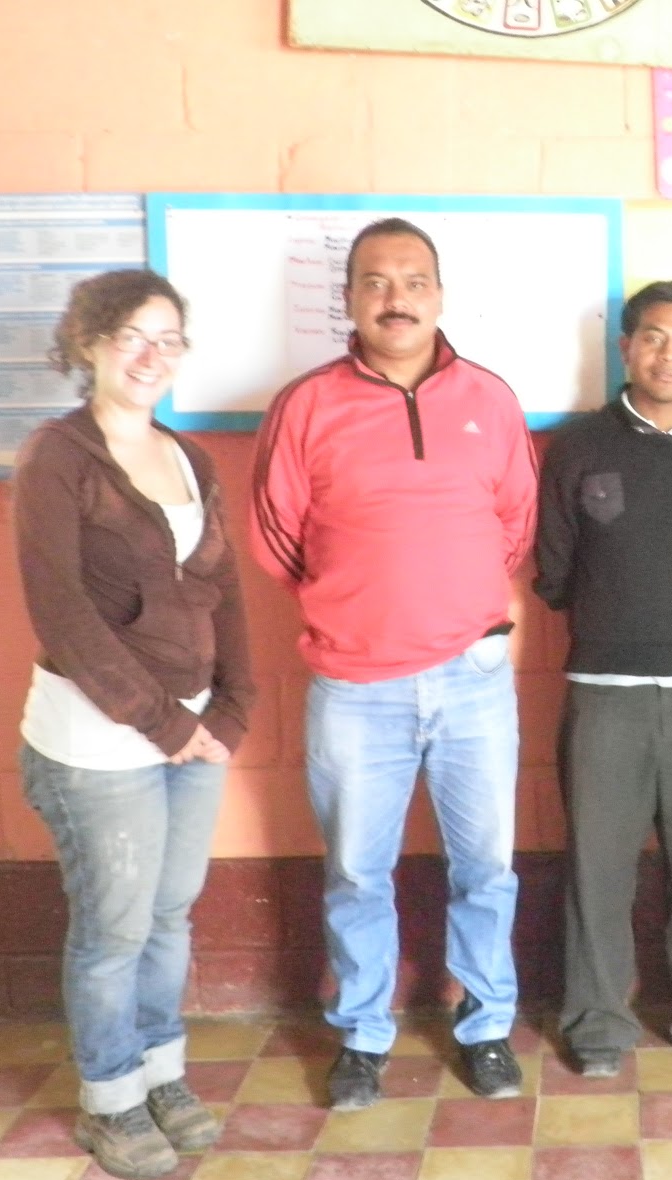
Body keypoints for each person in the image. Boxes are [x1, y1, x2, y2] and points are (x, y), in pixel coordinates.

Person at [251, 218, 538, 1109]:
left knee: (486, 868)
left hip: (472, 679)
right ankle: (364, 1035)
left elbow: (514, 524)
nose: (396, 298)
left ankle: (486, 1027)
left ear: (440, 296)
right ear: (348, 299)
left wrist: (450, 603)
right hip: (354, 684)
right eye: (375, 282)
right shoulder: (306, 406)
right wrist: (360, 602)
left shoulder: (490, 400)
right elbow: (277, 537)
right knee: (354, 873)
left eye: (414, 281)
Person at [12, 269, 254, 1180]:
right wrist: (163, 723)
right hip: (96, 741)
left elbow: (223, 590)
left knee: (168, 916)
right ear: (89, 344)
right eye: (131, 337)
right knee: (113, 930)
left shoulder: (191, 459)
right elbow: (62, 614)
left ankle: (160, 1074)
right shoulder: (58, 458)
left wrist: (234, 708)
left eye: (169, 339)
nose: (152, 356)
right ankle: (111, 1098)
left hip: (194, 735)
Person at [535, 280, 672, 1079]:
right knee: (598, 866)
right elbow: (555, 574)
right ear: (626, 347)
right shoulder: (577, 449)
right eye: (653, 337)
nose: (669, 354)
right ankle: (598, 1022)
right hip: (605, 695)